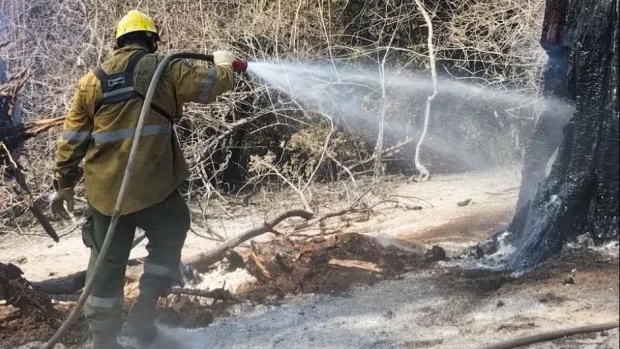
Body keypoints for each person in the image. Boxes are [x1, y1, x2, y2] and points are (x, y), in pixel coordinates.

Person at [51, 10, 237, 349]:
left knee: (105, 265)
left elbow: (72, 139)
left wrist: (63, 185)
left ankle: (103, 340)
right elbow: (209, 84)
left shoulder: (91, 81)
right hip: (154, 189)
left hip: (106, 195)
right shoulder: (164, 68)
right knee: (172, 229)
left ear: (118, 43)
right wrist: (225, 65)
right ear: (151, 40)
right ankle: (144, 311)